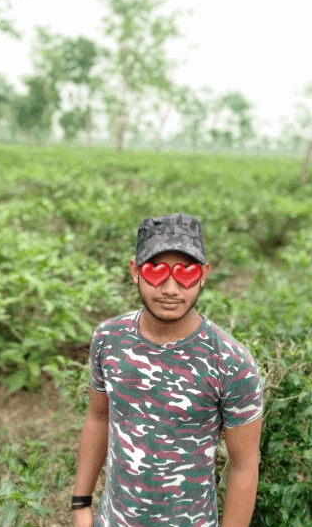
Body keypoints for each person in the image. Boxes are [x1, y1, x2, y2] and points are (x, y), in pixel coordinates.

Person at [72, 212, 263, 527]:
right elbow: (98, 417)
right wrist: (81, 504)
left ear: (203, 275)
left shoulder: (232, 363)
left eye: (186, 273)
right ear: (135, 272)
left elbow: (244, 467)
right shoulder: (108, 338)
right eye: (156, 272)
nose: (171, 288)